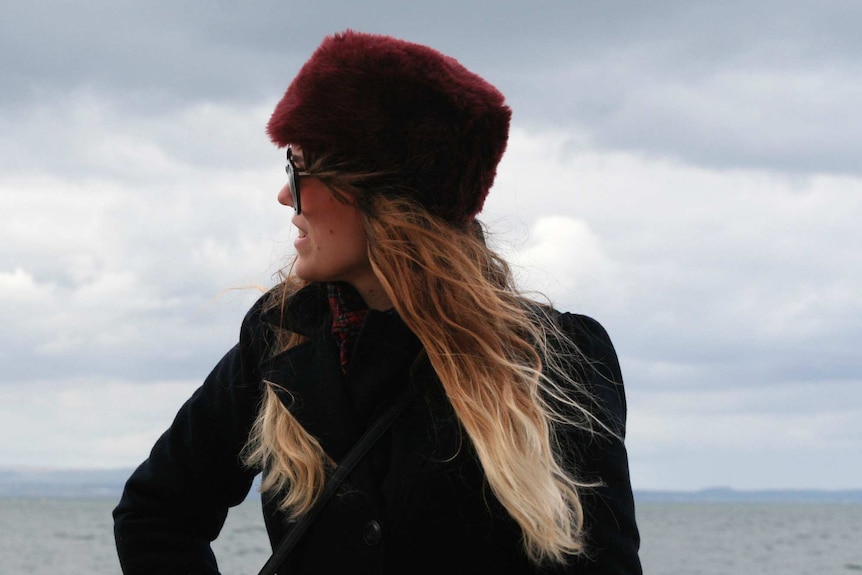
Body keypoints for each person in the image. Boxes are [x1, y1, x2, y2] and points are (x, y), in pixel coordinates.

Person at [113, 30, 642, 575]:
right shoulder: (281, 337)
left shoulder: (550, 358)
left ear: (376, 194)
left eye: (296, 170)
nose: (281, 196)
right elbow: (156, 512)